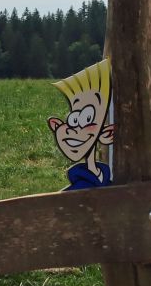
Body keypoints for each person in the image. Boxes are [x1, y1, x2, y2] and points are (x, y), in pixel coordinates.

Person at [47, 58, 115, 190]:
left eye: (87, 118)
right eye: (74, 120)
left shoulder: (107, 181)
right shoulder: (76, 189)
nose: (74, 130)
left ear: (107, 133)